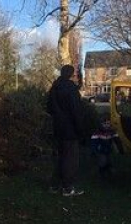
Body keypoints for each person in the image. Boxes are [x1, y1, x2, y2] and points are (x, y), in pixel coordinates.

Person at [47, 64, 85, 197]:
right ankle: (68, 188)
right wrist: (80, 129)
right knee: (70, 159)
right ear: (70, 74)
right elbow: (76, 111)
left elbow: (49, 108)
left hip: (57, 128)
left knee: (59, 157)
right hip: (70, 130)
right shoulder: (71, 89)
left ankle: (54, 185)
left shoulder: (54, 87)